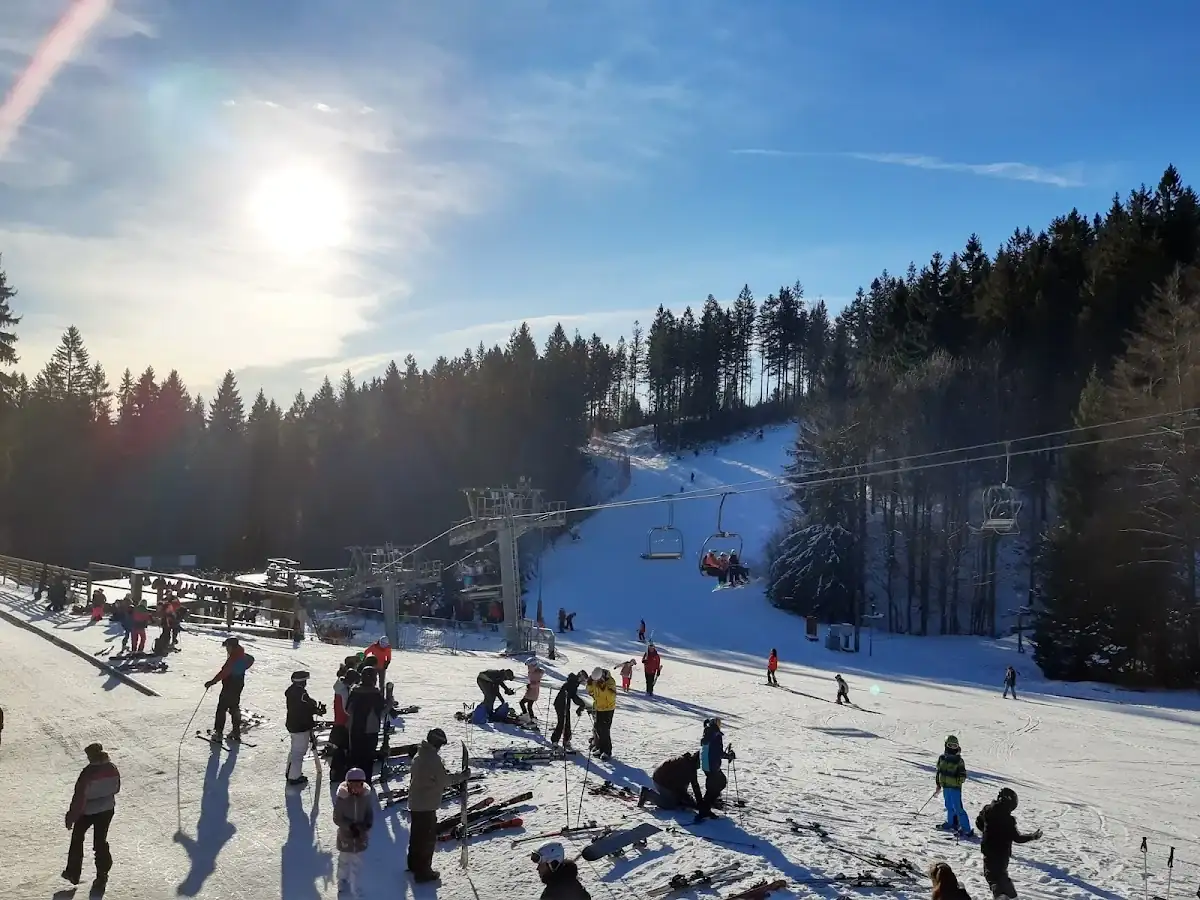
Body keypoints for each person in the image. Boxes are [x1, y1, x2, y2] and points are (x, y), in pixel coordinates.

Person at [407, 727, 469, 884]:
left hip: (416, 803)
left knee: (416, 837)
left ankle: (414, 865)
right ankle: (423, 872)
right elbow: (444, 781)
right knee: (427, 840)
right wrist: (462, 777)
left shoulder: (420, 754)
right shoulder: (432, 759)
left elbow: (432, 776)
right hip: (426, 805)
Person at [62, 742, 120, 888]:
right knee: (100, 841)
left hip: (87, 811)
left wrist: (71, 817)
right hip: (107, 809)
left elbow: (80, 798)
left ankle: (73, 873)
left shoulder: (88, 773)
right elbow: (116, 788)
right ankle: (103, 873)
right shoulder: (112, 768)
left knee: (77, 839)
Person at [976, 788, 1042, 900]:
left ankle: (1001, 896)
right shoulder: (1008, 820)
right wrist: (1032, 836)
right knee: (1001, 875)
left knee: (992, 877)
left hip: (989, 850)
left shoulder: (987, 810)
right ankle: (1012, 896)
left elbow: (979, 822)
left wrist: (987, 832)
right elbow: (1017, 838)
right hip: (1002, 854)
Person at [204, 637, 255, 742]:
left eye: (227, 647)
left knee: (221, 709)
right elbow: (251, 659)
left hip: (229, 686)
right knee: (234, 708)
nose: (226, 649)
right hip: (239, 685)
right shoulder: (241, 655)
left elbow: (224, 673)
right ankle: (236, 733)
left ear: (231, 646)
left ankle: (218, 733)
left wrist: (212, 682)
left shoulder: (234, 658)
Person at [333, 767, 374, 898]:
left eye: (359, 785)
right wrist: (350, 826)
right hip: (346, 836)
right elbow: (337, 818)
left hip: (361, 836)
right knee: (344, 860)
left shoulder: (365, 797)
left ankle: (356, 888)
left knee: (357, 863)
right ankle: (341, 879)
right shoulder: (342, 798)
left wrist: (367, 824)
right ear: (348, 785)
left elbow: (369, 813)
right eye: (353, 785)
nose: (357, 788)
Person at [285, 670, 325, 787]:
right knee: (298, 752)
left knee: (294, 751)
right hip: (300, 726)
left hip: (293, 724)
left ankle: (290, 772)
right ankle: (294, 777)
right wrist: (316, 709)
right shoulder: (301, 694)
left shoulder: (291, 691)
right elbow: (307, 705)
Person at [346, 667, 386, 777]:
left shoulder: (355, 691)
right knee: (368, 758)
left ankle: (352, 780)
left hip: (355, 728)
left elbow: (347, 709)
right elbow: (382, 711)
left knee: (355, 756)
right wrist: (389, 703)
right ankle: (365, 781)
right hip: (370, 730)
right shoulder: (375, 693)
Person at [935, 735, 973, 837]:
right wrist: (938, 784)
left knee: (958, 808)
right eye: (950, 745)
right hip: (945, 786)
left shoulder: (958, 760)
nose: (952, 748)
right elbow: (938, 771)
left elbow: (963, 775)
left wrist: (958, 780)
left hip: (955, 788)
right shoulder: (942, 758)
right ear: (946, 745)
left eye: (954, 746)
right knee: (949, 806)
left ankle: (966, 829)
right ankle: (950, 823)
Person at [697, 718, 735, 820]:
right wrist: (729, 756)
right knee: (719, 783)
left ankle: (706, 806)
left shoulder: (708, 732)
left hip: (706, 764)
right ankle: (705, 809)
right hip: (712, 764)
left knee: (715, 784)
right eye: (719, 723)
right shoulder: (715, 735)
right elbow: (717, 752)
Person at [552, 670, 588, 751]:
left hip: (566, 705)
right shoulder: (572, 682)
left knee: (567, 722)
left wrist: (581, 704)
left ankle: (566, 740)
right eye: (583, 678)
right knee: (562, 722)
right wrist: (581, 703)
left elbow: (573, 696)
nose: (583, 680)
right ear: (580, 676)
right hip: (560, 704)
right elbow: (572, 696)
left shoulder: (574, 683)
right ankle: (555, 740)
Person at [586, 668, 617, 760]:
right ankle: (600, 748)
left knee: (605, 730)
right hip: (598, 707)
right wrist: (589, 684)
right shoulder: (596, 680)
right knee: (598, 729)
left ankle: (607, 751)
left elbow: (611, 697)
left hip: (608, 709)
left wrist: (604, 688)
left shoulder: (610, 681)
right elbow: (591, 692)